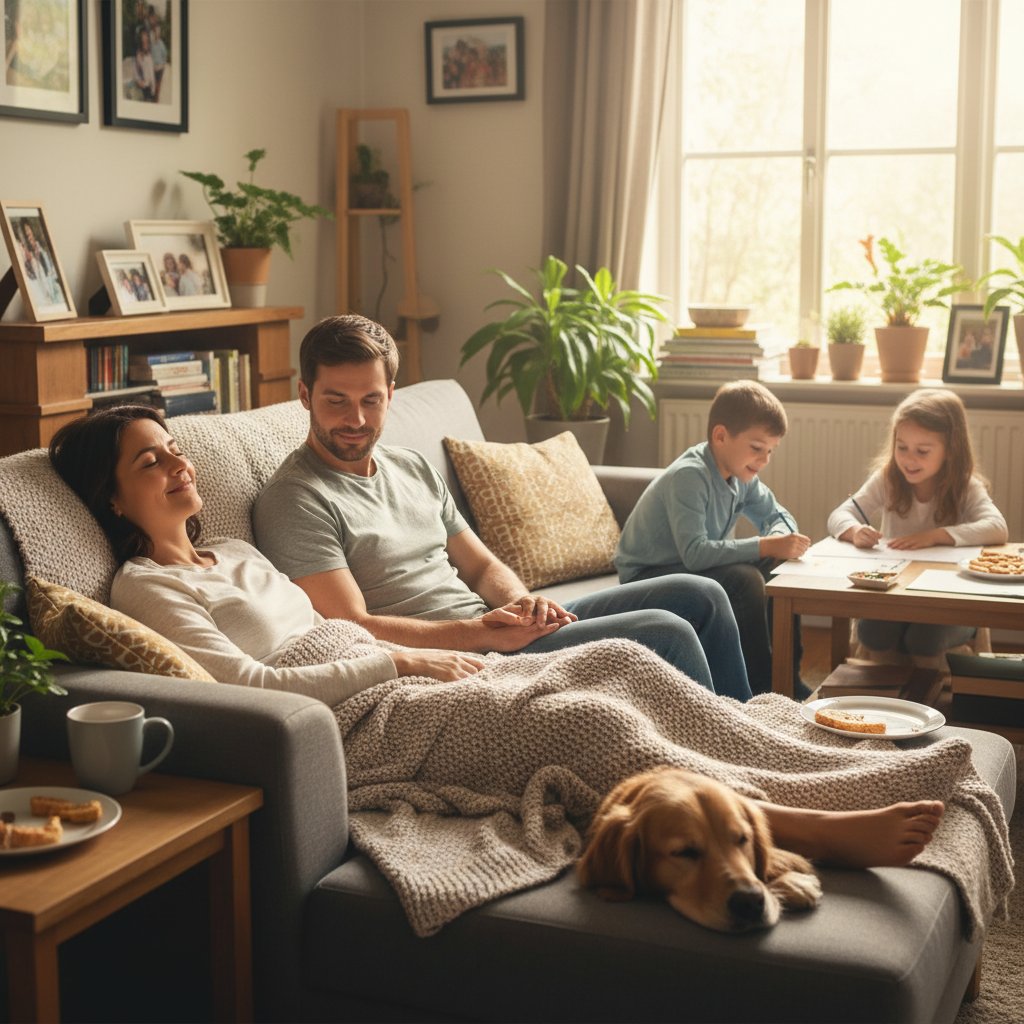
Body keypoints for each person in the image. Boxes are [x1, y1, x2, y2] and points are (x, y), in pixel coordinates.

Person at [47, 404, 946, 873]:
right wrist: (406, 655)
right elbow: (249, 686)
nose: (177, 463)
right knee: (586, 722)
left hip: (400, 679)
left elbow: (327, 626)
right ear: (112, 500)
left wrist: (466, 639)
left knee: (619, 661)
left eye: (173, 448)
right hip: (353, 725)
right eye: (149, 461)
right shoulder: (145, 585)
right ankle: (789, 823)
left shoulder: (235, 550)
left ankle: (806, 763)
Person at [252, 315, 753, 702]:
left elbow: (480, 567)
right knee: (666, 632)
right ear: (305, 395)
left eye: (371, 400)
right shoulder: (296, 497)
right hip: (466, 654)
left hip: (495, 626)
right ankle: (725, 767)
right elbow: (352, 625)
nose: (356, 420)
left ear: (390, 396)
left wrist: (524, 604)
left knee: (701, 594)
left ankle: (749, 730)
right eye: (336, 401)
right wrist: (482, 634)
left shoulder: (410, 466)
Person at [615, 381, 811, 698]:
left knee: (780, 567)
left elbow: (779, 516)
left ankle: (788, 680)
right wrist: (764, 545)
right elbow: (695, 553)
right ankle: (759, 689)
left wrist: (778, 540)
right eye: (756, 448)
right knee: (745, 579)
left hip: (687, 566)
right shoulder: (689, 476)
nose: (764, 460)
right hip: (647, 576)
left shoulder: (742, 476)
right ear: (720, 436)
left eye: (770, 451)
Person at [826, 389, 1008, 662]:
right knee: (872, 633)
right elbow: (839, 514)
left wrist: (935, 536)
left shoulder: (966, 486)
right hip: (895, 597)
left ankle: (941, 672)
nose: (909, 459)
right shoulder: (888, 479)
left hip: (948, 600)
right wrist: (854, 531)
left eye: (922, 451)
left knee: (924, 640)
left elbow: (997, 527)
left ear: (950, 450)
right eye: (902, 447)